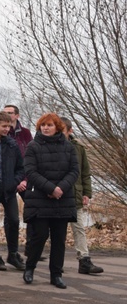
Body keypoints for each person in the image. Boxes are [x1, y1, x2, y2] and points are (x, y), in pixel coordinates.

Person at [22, 113, 79, 289]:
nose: (45, 128)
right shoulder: (33, 146)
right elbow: (31, 172)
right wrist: (50, 189)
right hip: (40, 198)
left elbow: (74, 171)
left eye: (49, 125)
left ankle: (56, 274)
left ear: (58, 127)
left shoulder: (68, 147)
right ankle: (29, 268)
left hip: (62, 198)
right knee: (39, 236)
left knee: (59, 239)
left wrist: (60, 188)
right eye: (43, 125)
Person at [61, 118, 104, 275]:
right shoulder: (50, 147)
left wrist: (87, 193)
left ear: (70, 131)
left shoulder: (79, 148)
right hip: (56, 196)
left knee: (79, 228)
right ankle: (56, 262)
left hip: (75, 194)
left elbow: (85, 172)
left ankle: (84, 260)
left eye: (62, 129)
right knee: (57, 230)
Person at [0, 112, 25, 271]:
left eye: (9, 126)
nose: (7, 129)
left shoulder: (12, 144)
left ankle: (13, 254)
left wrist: (14, 182)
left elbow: (20, 168)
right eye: (4, 126)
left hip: (9, 190)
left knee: (14, 220)